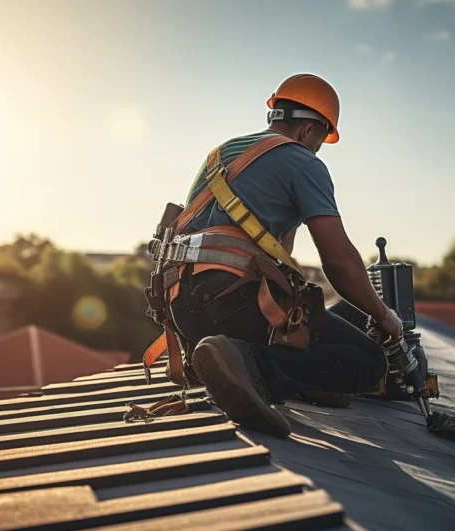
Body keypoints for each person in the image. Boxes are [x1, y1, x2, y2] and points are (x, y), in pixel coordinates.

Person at [150, 73, 403, 438]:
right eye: (319, 141)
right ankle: (253, 367)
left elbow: (276, 255)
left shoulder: (223, 153)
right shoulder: (302, 161)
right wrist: (385, 317)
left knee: (338, 319)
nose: (316, 150)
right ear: (308, 132)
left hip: (182, 311)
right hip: (230, 301)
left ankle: (225, 358)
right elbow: (338, 261)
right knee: (368, 361)